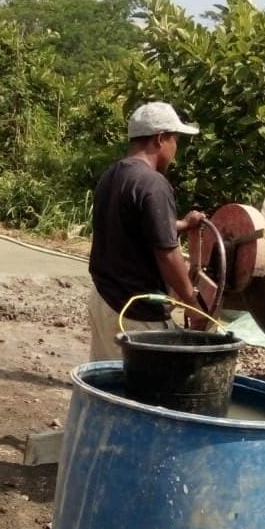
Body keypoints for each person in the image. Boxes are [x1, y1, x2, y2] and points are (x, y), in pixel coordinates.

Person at [88, 101, 206, 361]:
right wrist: (192, 303)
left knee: (107, 385)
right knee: (148, 392)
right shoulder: (154, 184)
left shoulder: (112, 175)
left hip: (103, 300)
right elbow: (168, 255)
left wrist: (183, 226)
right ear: (161, 139)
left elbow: (132, 224)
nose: (176, 150)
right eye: (175, 140)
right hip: (136, 314)